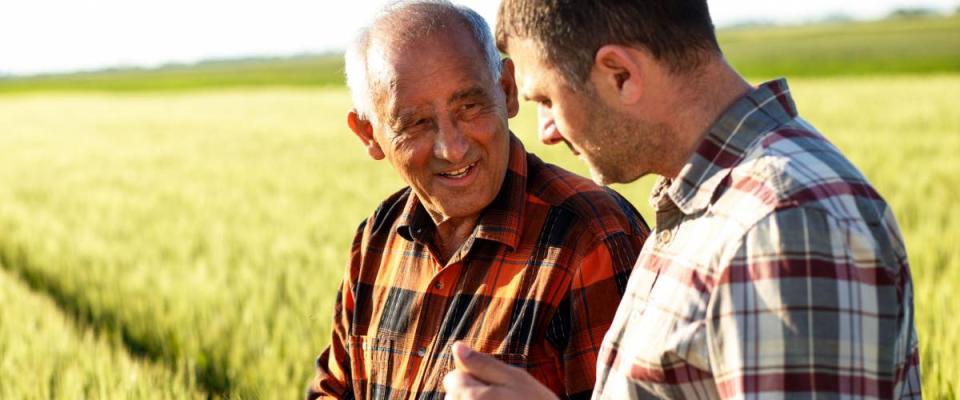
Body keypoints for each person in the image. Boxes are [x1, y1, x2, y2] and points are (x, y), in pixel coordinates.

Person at [443, 1, 922, 399]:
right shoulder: (710, 205)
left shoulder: (782, 225)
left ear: (620, 75)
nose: (544, 132)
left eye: (546, 100)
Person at [306, 1, 650, 398]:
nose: (452, 148)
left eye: (469, 107)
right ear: (368, 134)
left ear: (507, 90)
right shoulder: (377, 238)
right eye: (416, 123)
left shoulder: (593, 237)